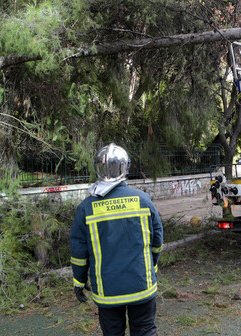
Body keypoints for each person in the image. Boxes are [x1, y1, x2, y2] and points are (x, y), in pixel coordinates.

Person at [70, 143, 163, 336]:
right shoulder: (143, 200)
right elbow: (157, 241)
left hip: (107, 291)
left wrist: (79, 281)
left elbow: (79, 251)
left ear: (98, 168)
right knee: (145, 331)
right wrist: (152, 268)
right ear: (125, 167)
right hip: (142, 286)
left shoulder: (87, 208)